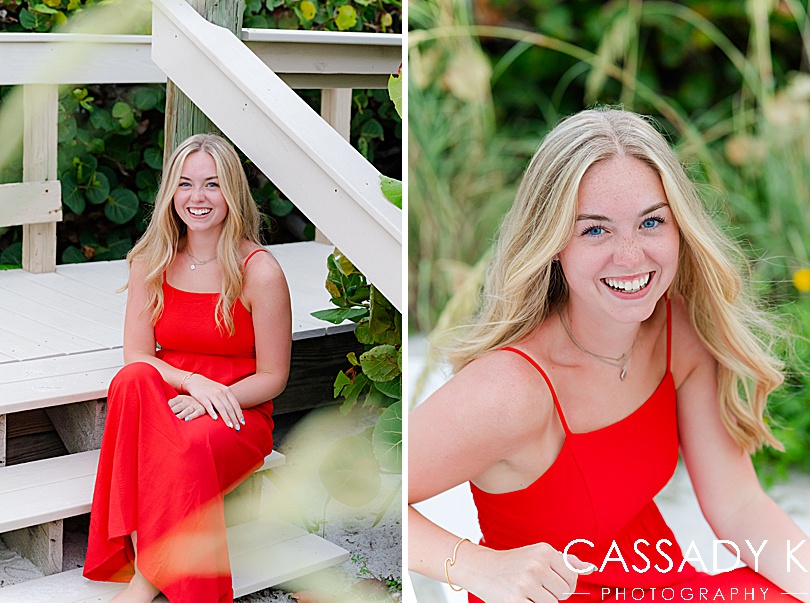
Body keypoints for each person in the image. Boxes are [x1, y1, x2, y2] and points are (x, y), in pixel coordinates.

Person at [409, 109, 810, 603]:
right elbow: (377, 487)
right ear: (553, 243)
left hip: (664, 586)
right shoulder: (509, 390)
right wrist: (471, 564)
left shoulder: (676, 330)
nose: (630, 255)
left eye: (651, 222)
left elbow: (739, 506)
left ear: (679, 227)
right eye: (595, 230)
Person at [83, 133, 292, 603]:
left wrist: (215, 397)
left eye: (212, 185)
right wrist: (194, 383)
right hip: (172, 394)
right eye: (186, 184)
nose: (197, 198)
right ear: (170, 193)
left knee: (182, 453)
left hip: (236, 409)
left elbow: (274, 376)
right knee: (131, 380)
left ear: (232, 193)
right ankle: (159, 569)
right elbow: (138, 355)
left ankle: (147, 579)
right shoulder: (149, 261)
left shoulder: (260, 272)